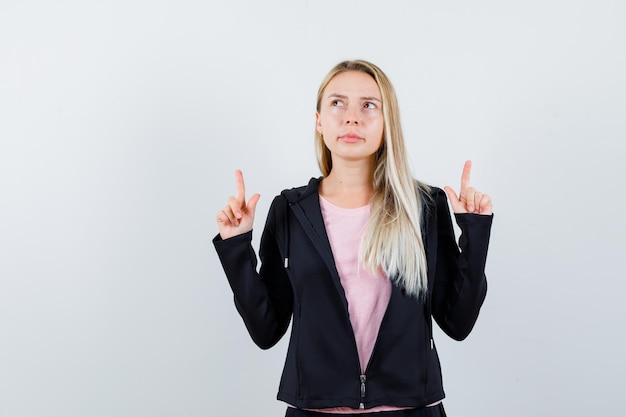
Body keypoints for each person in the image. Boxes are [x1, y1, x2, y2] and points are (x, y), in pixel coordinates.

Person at [213, 60, 493, 417]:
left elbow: (458, 322)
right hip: (314, 410)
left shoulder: (424, 207)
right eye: (337, 103)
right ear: (319, 121)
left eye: (368, 105)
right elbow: (266, 330)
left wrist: (474, 230)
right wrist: (237, 246)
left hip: (413, 408)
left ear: (387, 122)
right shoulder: (289, 210)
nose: (352, 117)